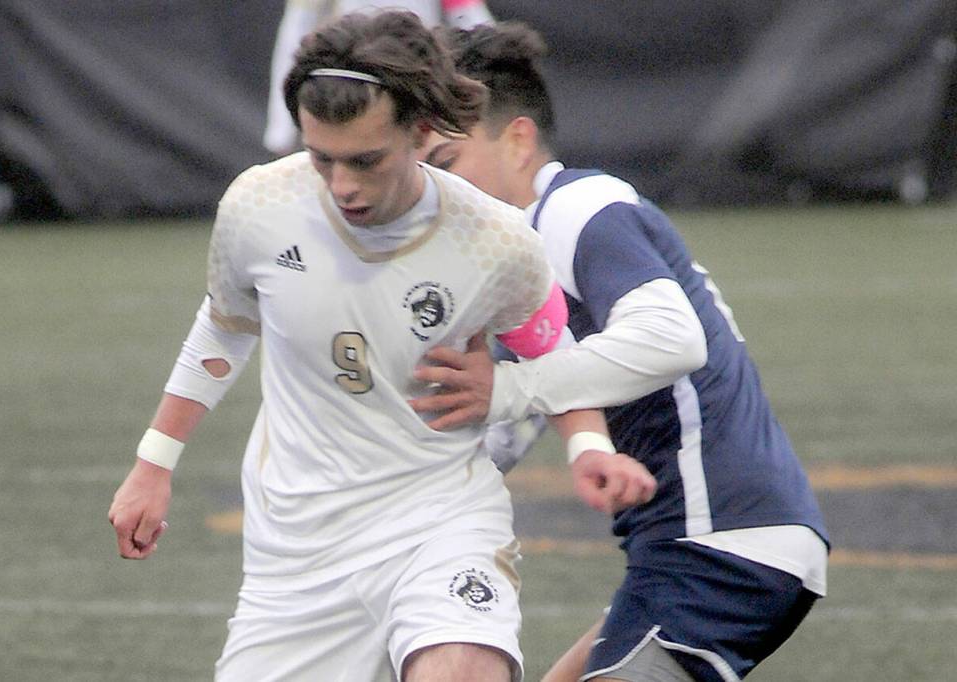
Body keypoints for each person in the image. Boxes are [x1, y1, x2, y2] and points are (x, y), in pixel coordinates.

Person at [108, 11, 655, 682]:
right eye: (322, 159)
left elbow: (549, 348)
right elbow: (225, 324)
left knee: (461, 672)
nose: (342, 186)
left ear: (423, 133)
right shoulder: (257, 206)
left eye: (366, 160)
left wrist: (588, 447)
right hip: (298, 548)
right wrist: (154, 463)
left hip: (439, 518)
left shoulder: (494, 239)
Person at [410, 22, 830, 682]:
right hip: (691, 549)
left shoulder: (577, 206)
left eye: (445, 165)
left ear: (517, 140)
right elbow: (513, 425)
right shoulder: (513, 264)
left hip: (718, 543)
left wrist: (506, 391)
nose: (433, 193)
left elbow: (672, 338)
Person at [264, 0, 494, 156]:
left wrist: (503, 69)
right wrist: (281, 130)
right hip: (347, 89)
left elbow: (470, 17)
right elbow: (297, 28)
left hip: (416, 86)